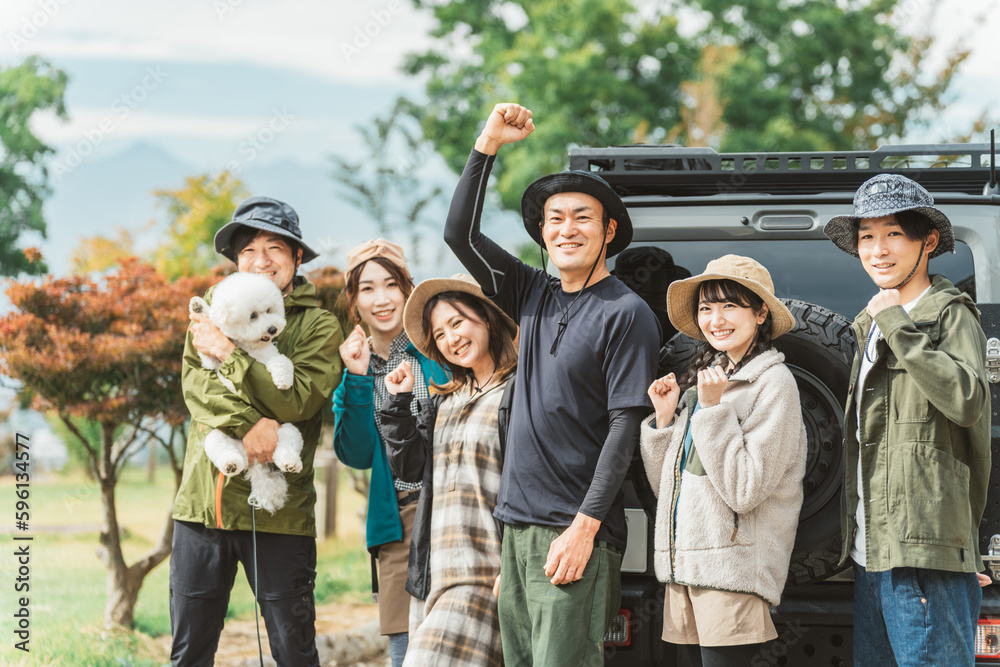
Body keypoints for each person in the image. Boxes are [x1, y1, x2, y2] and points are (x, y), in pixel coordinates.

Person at [443, 102, 661, 666]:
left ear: (609, 232)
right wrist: (486, 144)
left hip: (574, 532)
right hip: (516, 529)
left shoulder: (626, 313)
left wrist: (583, 529)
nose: (567, 229)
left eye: (583, 217)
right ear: (542, 232)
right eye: (555, 218)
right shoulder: (531, 293)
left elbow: (625, 426)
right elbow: (458, 233)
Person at [824, 173, 990, 666]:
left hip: (923, 546)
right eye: (867, 237)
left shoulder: (949, 314)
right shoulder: (868, 322)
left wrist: (897, 324)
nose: (878, 249)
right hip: (871, 549)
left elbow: (965, 399)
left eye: (894, 233)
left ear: (928, 241)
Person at [171, 196, 344, 666]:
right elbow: (198, 392)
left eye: (274, 248)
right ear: (235, 261)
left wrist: (230, 355)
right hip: (202, 507)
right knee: (188, 652)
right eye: (248, 249)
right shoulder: (210, 315)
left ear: (297, 258)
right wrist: (250, 425)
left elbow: (299, 399)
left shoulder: (318, 325)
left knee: (292, 651)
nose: (260, 260)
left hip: (281, 515)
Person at [640, 255, 807, 666]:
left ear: (761, 312)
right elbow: (672, 490)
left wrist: (712, 412)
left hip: (731, 572)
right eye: (706, 308)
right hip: (685, 570)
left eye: (730, 305)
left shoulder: (774, 384)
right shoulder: (708, 378)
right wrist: (664, 420)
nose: (716, 319)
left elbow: (744, 490)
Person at [379, 273, 518, 667]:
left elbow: (531, 483)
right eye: (439, 334)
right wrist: (398, 405)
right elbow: (412, 471)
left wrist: (513, 565)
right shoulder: (446, 401)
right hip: (435, 573)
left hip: (487, 574)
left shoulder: (518, 391)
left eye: (457, 323)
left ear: (487, 319)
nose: (450, 338)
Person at [331, 239, 449, 667]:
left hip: (453, 508)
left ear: (407, 290)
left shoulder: (439, 349)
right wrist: (358, 378)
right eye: (366, 289)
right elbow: (357, 454)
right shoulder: (354, 371)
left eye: (390, 285)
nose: (381, 299)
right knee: (404, 650)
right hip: (398, 519)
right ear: (354, 301)